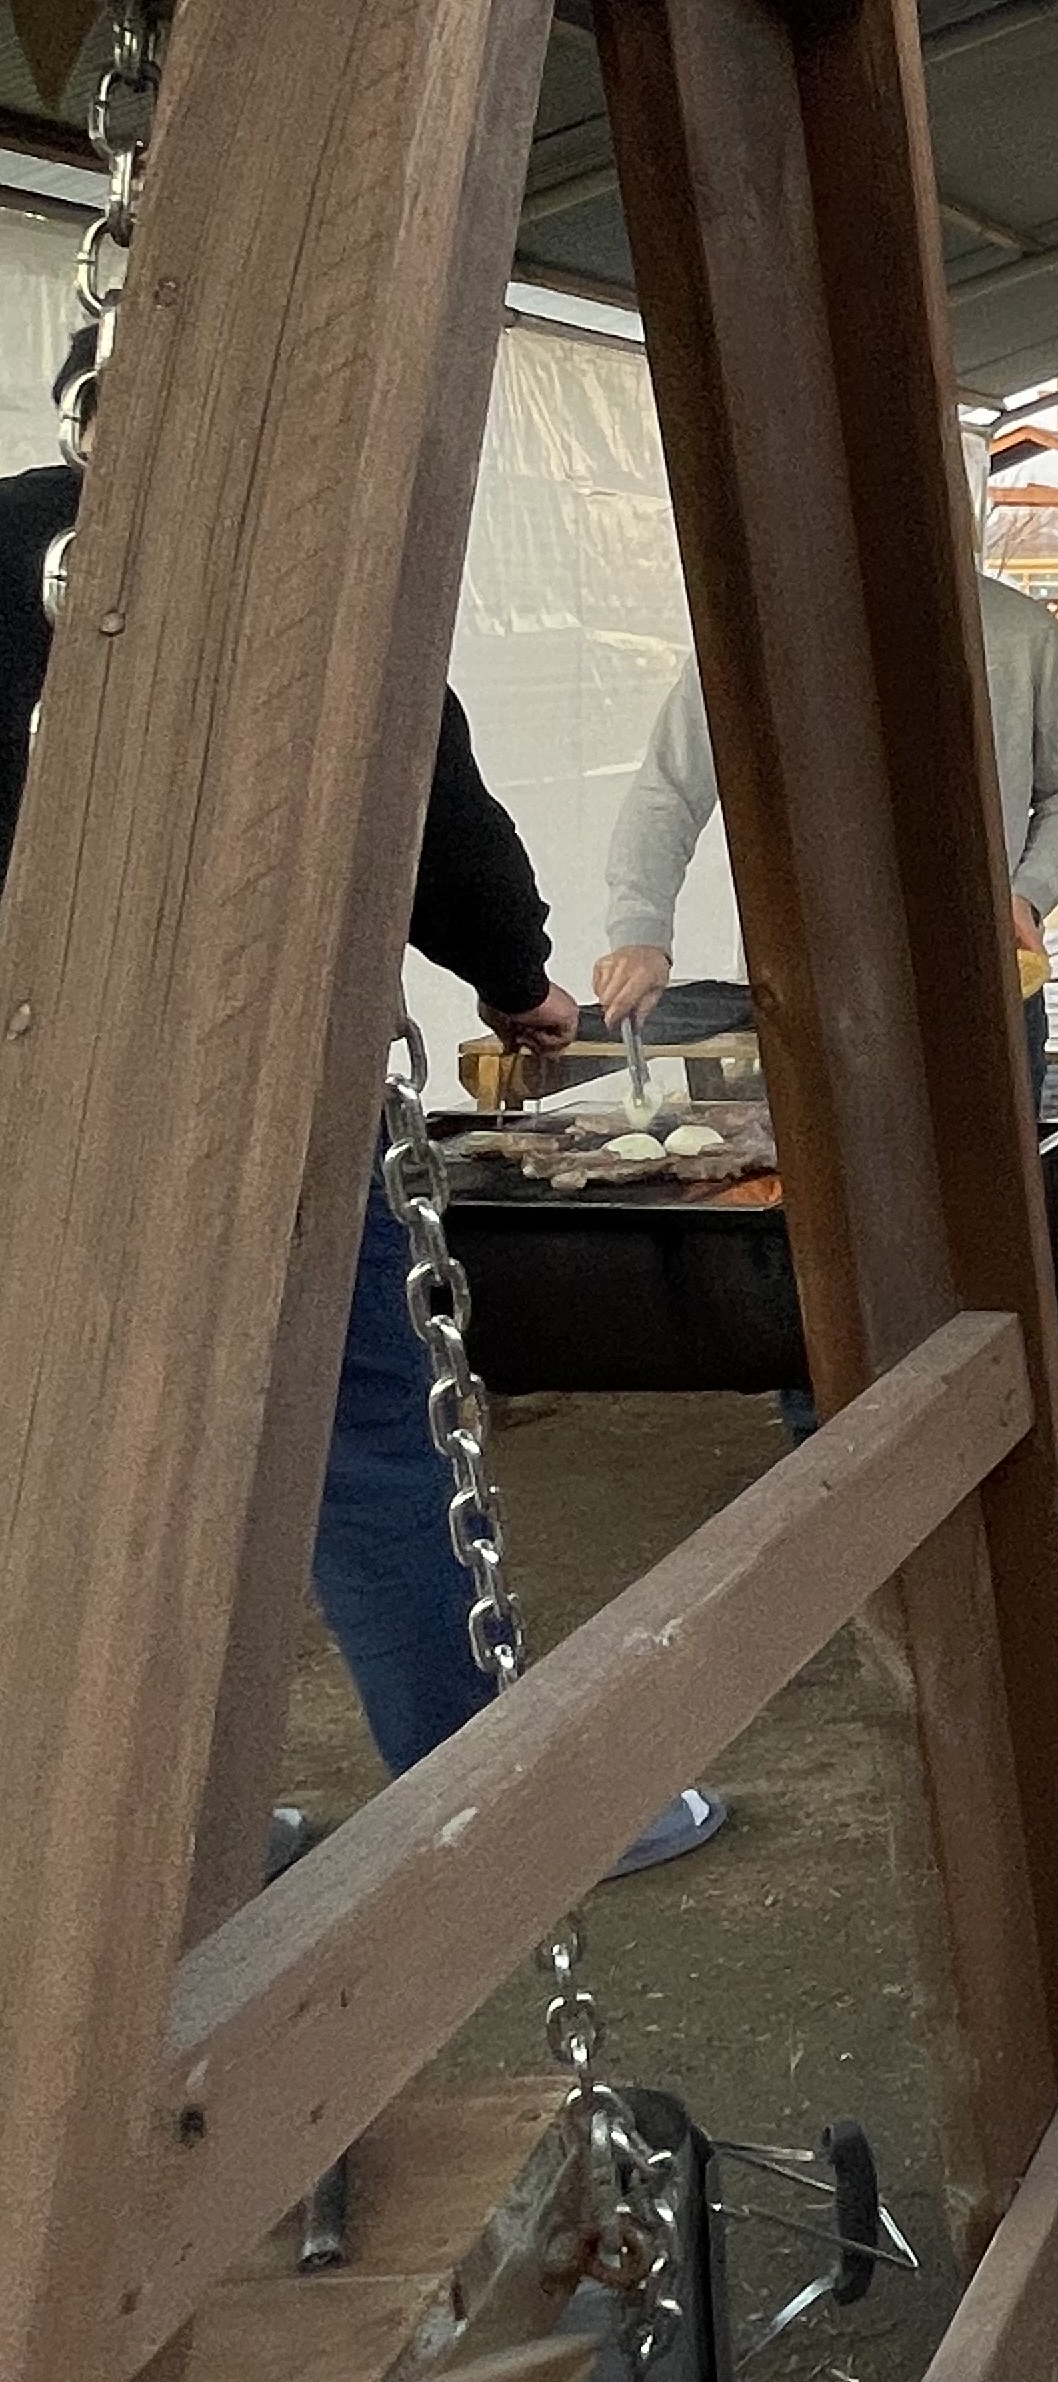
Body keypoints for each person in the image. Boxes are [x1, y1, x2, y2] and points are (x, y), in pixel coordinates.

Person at [0, 337, 723, 1873]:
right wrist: (517, 979)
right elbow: (434, 811)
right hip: (231, 1096)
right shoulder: (300, 573)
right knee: (363, 1437)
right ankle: (491, 1808)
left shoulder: (16, 542)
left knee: (57, 1465)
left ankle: (144, 1850)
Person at [594, 486, 1058, 1091]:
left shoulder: (1020, 633)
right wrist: (641, 930)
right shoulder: (752, 633)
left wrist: (1026, 895)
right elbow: (669, 791)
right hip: (810, 985)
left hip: (983, 975)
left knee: (991, 1151)